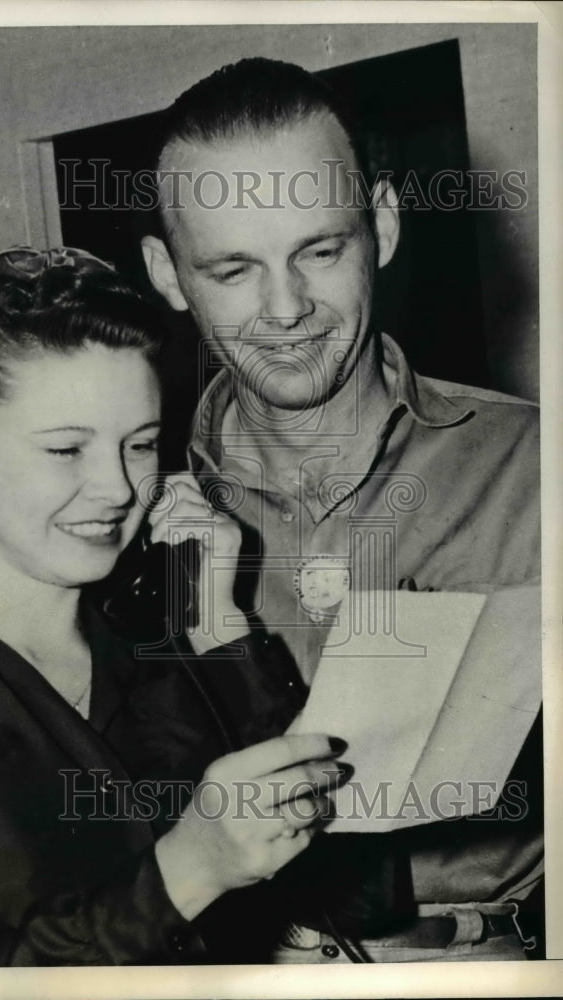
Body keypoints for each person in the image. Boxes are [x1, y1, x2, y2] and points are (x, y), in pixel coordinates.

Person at [0, 246, 349, 968]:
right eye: (66, 449)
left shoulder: (166, 659)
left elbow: (346, 885)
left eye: (141, 445)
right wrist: (184, 872)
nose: (118, 489)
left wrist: (219, 623)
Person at [141, 58, 542, 962]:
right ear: (170, 275)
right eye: (233, 268)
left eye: (320, 251)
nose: (286, 309)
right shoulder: (123, 517)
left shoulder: (534, 466)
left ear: (384, 226)